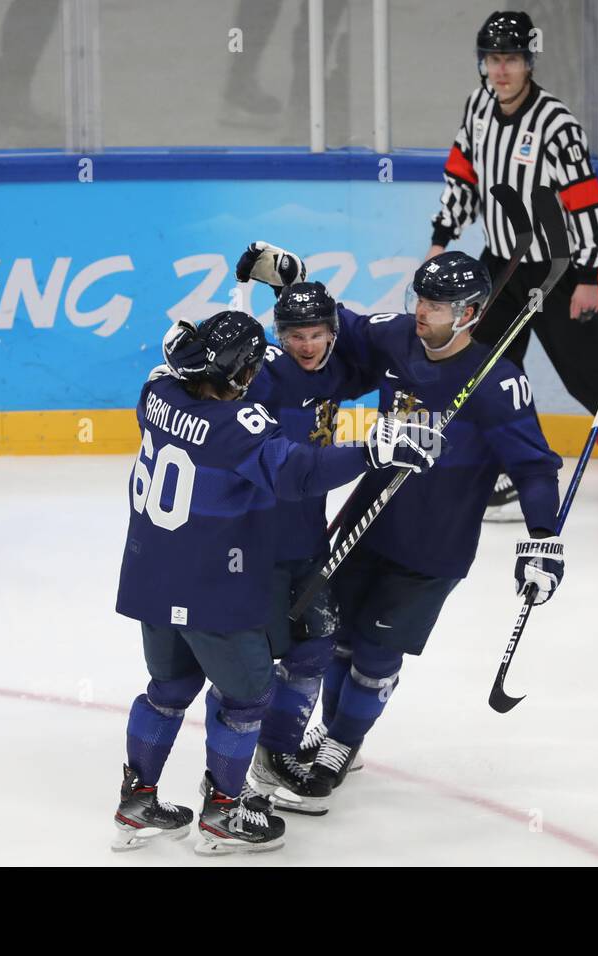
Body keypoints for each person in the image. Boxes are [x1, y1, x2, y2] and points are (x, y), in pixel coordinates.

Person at [238, 244, 566, 809]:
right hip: (370, 519)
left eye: (438, 303)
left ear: (470, 313)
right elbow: (323, 331)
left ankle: (342, 741)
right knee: (338, 638)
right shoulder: (395, 337)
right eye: (422, 296)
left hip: (434, 545)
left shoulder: (498, 383)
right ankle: (340, 730)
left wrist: (544, 542)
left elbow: (535, 470)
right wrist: (291, 284)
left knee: (376, 651)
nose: (423, 309)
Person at [111, 308, 442, 854]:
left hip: (151, 577)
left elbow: (168, 370)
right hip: (212, 589)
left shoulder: (156, 398)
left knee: (167, 691)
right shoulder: (237, 430)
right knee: (248, 696)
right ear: (240, 373)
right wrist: (374, 450)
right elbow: (299, 472)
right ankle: (223, 813)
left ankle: (137, 800)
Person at [428, 10, 598, 520]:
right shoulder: (478, 109)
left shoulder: (556, 124)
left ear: (528, 62)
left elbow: (585, 200)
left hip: (556, 269)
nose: (500, 70)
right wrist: (441, 237)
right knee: (486, 368)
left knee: (585, 374)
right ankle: (513, 467)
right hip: (499, 268)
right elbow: (462, 172)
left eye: (510, 59)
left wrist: (589, 277)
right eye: (492, 59)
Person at [230, 244, 377, 814]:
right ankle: (232, 775)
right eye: (295, 335)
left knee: (314, 642)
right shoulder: (257, 378)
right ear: (277, 336)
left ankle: (279, 751)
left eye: (318, 333)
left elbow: (385, 347)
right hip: (256, 541)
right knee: (254, 659)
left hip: (307, 536)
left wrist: (299, 283)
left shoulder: (337, 365)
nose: (307, 346)